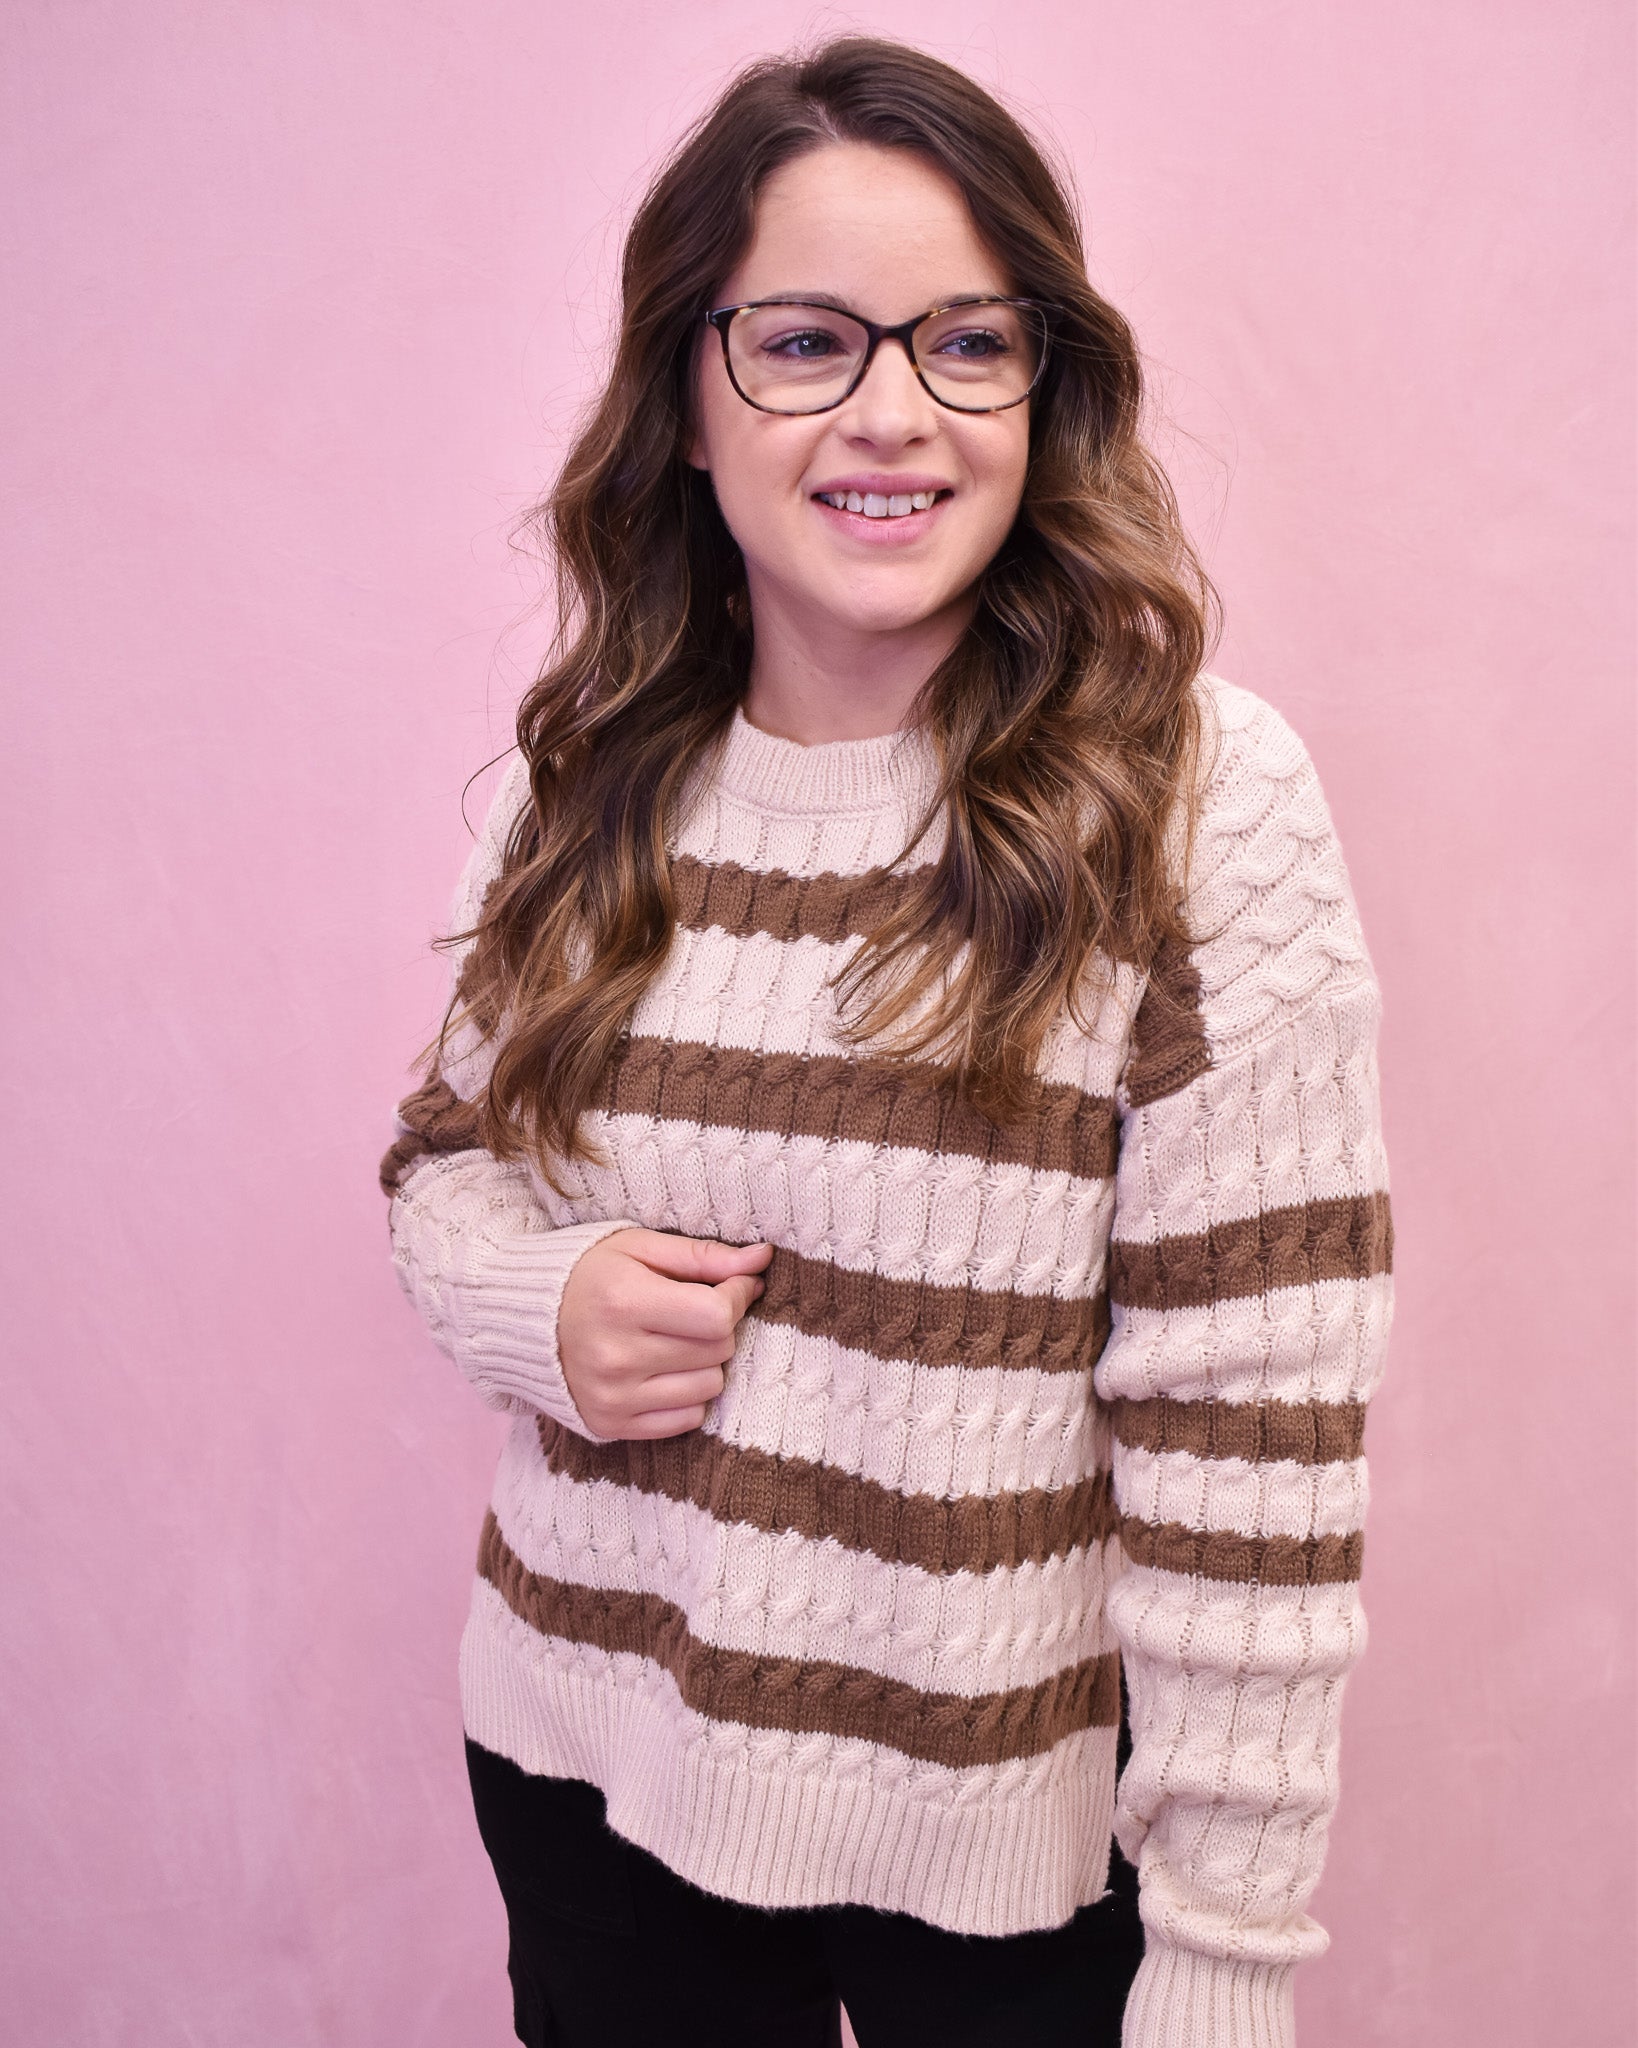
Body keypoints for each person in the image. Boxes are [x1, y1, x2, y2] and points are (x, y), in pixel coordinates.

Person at [379, 35, 1393, 2048]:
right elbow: (445, 1160)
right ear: (685, 399)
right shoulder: (581, 785)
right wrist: (531, 1297)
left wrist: (1223, 1958)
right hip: (584, 1765)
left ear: (1042, 389)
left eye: (968, 343)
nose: (895, 411)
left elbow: (1257, 1451)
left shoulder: (1197, 801)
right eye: (805, 343)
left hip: (1011, 1857)